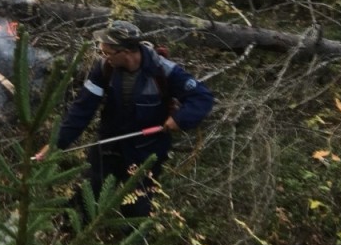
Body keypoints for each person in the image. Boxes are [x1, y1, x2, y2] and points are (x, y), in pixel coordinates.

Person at [34, 20, 214, 221]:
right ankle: (68, 239)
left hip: (147, 152)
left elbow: (202, 97)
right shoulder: (104, 69)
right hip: (108, 146)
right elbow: (81, 110)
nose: (103, 57)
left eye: (107, 52)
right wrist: (55, 144)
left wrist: (180, 119)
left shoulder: (164, 71)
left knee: (137, 209)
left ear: (126, 52)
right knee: (85, 199)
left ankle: (131, 244)